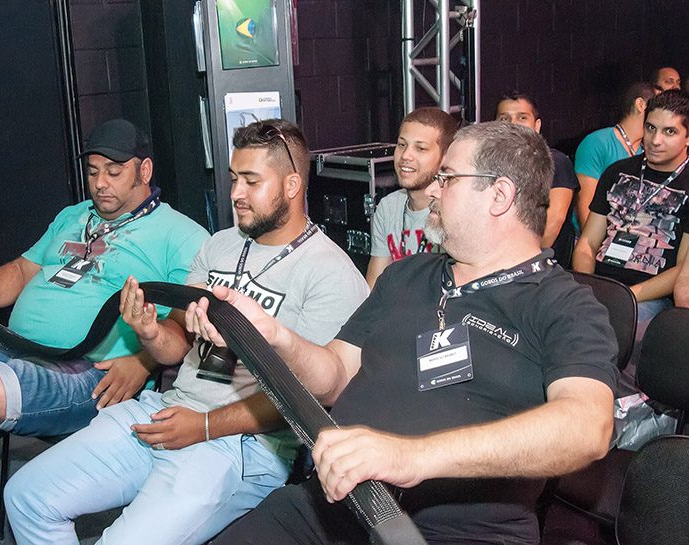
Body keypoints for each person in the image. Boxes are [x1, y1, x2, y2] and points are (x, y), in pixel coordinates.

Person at [191, 122, 618, 545]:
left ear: (499, 195)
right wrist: (274, 335)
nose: (432, 190)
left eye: (447, 178)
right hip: (333, 507)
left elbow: (588, 427)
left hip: (456, 534)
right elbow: (334, 376)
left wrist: (411, 456)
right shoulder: (405, 275)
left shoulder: (564, 305)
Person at [3, 119, 369, 545]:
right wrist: (148, 331)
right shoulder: (219, 245)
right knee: (26, 495)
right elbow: (175, 347)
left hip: (245, 444)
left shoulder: (331, 273)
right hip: (170, 410)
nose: (235, 193)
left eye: (251, 181)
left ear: (291, 186)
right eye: (234, 178)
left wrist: (206, 426)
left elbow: (308, 398)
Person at [0, 119, 209, 545]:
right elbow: (21, 270)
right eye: (93, 171)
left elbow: (184, 327)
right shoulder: (73, 216)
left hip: (90, 370)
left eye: (114, 172)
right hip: (15, 348)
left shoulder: (182, 236)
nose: (100, 183)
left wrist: (142, 362)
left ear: (145, 170)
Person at [573, 89, 689, 393]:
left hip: (650, 294)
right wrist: (587, 287)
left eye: (669, 132)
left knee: (622, 336)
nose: (655, 140)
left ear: (688, 137)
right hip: (602, 284)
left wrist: (627, 297)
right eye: (650, 128)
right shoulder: (617, 172)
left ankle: (621, 409)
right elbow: (587, 242)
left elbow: (682, 271)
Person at [365, 108, 457, 288]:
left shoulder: (454, 211)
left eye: (420, 148)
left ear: (445, 158)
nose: (406, 156)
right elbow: (374, 286)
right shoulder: (388, 206)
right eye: (401, 145)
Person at [496, 91, 579, 267]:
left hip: (539, 267)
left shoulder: (555, 162)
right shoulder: (489, 166)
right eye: (504, 118)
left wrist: (521, 264)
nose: (513, 124)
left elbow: (554, 220)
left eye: (522, 117)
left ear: (537, 125)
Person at [574, 82, 657, 229]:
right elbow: (586, 210)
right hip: (596, 237)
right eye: (656, 105)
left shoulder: (648, 151)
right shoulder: (598, 142)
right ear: (641, 105)